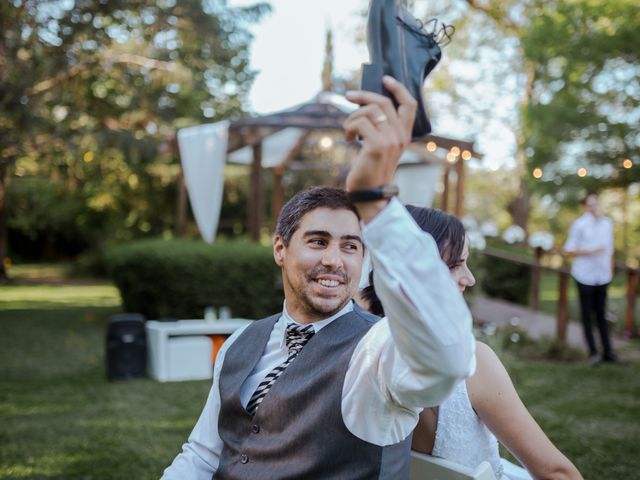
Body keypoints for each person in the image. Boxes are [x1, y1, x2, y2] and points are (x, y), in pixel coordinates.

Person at [160, 76, 476, 479]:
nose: (334, 260)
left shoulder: (376, 352)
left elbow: (447, 358)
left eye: (350, 246)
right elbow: (203, 455)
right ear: (280, 249)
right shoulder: (241, 341)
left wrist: (376, 202)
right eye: (317, 241)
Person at [361, 206, 583, 480]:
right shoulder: (474, 363)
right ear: (414, 272)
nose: (470, 278)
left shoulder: (352, 343)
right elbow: (556, 473)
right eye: (455, 265)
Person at [563, 192, 622, 365]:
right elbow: (569, 250)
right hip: (584, 276)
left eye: (596, 204)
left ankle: (608, 352)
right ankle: (593, 353)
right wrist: (592, 251)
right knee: (587, 315)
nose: (594, 207)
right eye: (590, 204)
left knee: (601, 314)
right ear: (585, 207)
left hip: (602, 277)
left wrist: (609, 273)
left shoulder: (607, 224)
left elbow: (609, 250)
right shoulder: (579, 225)